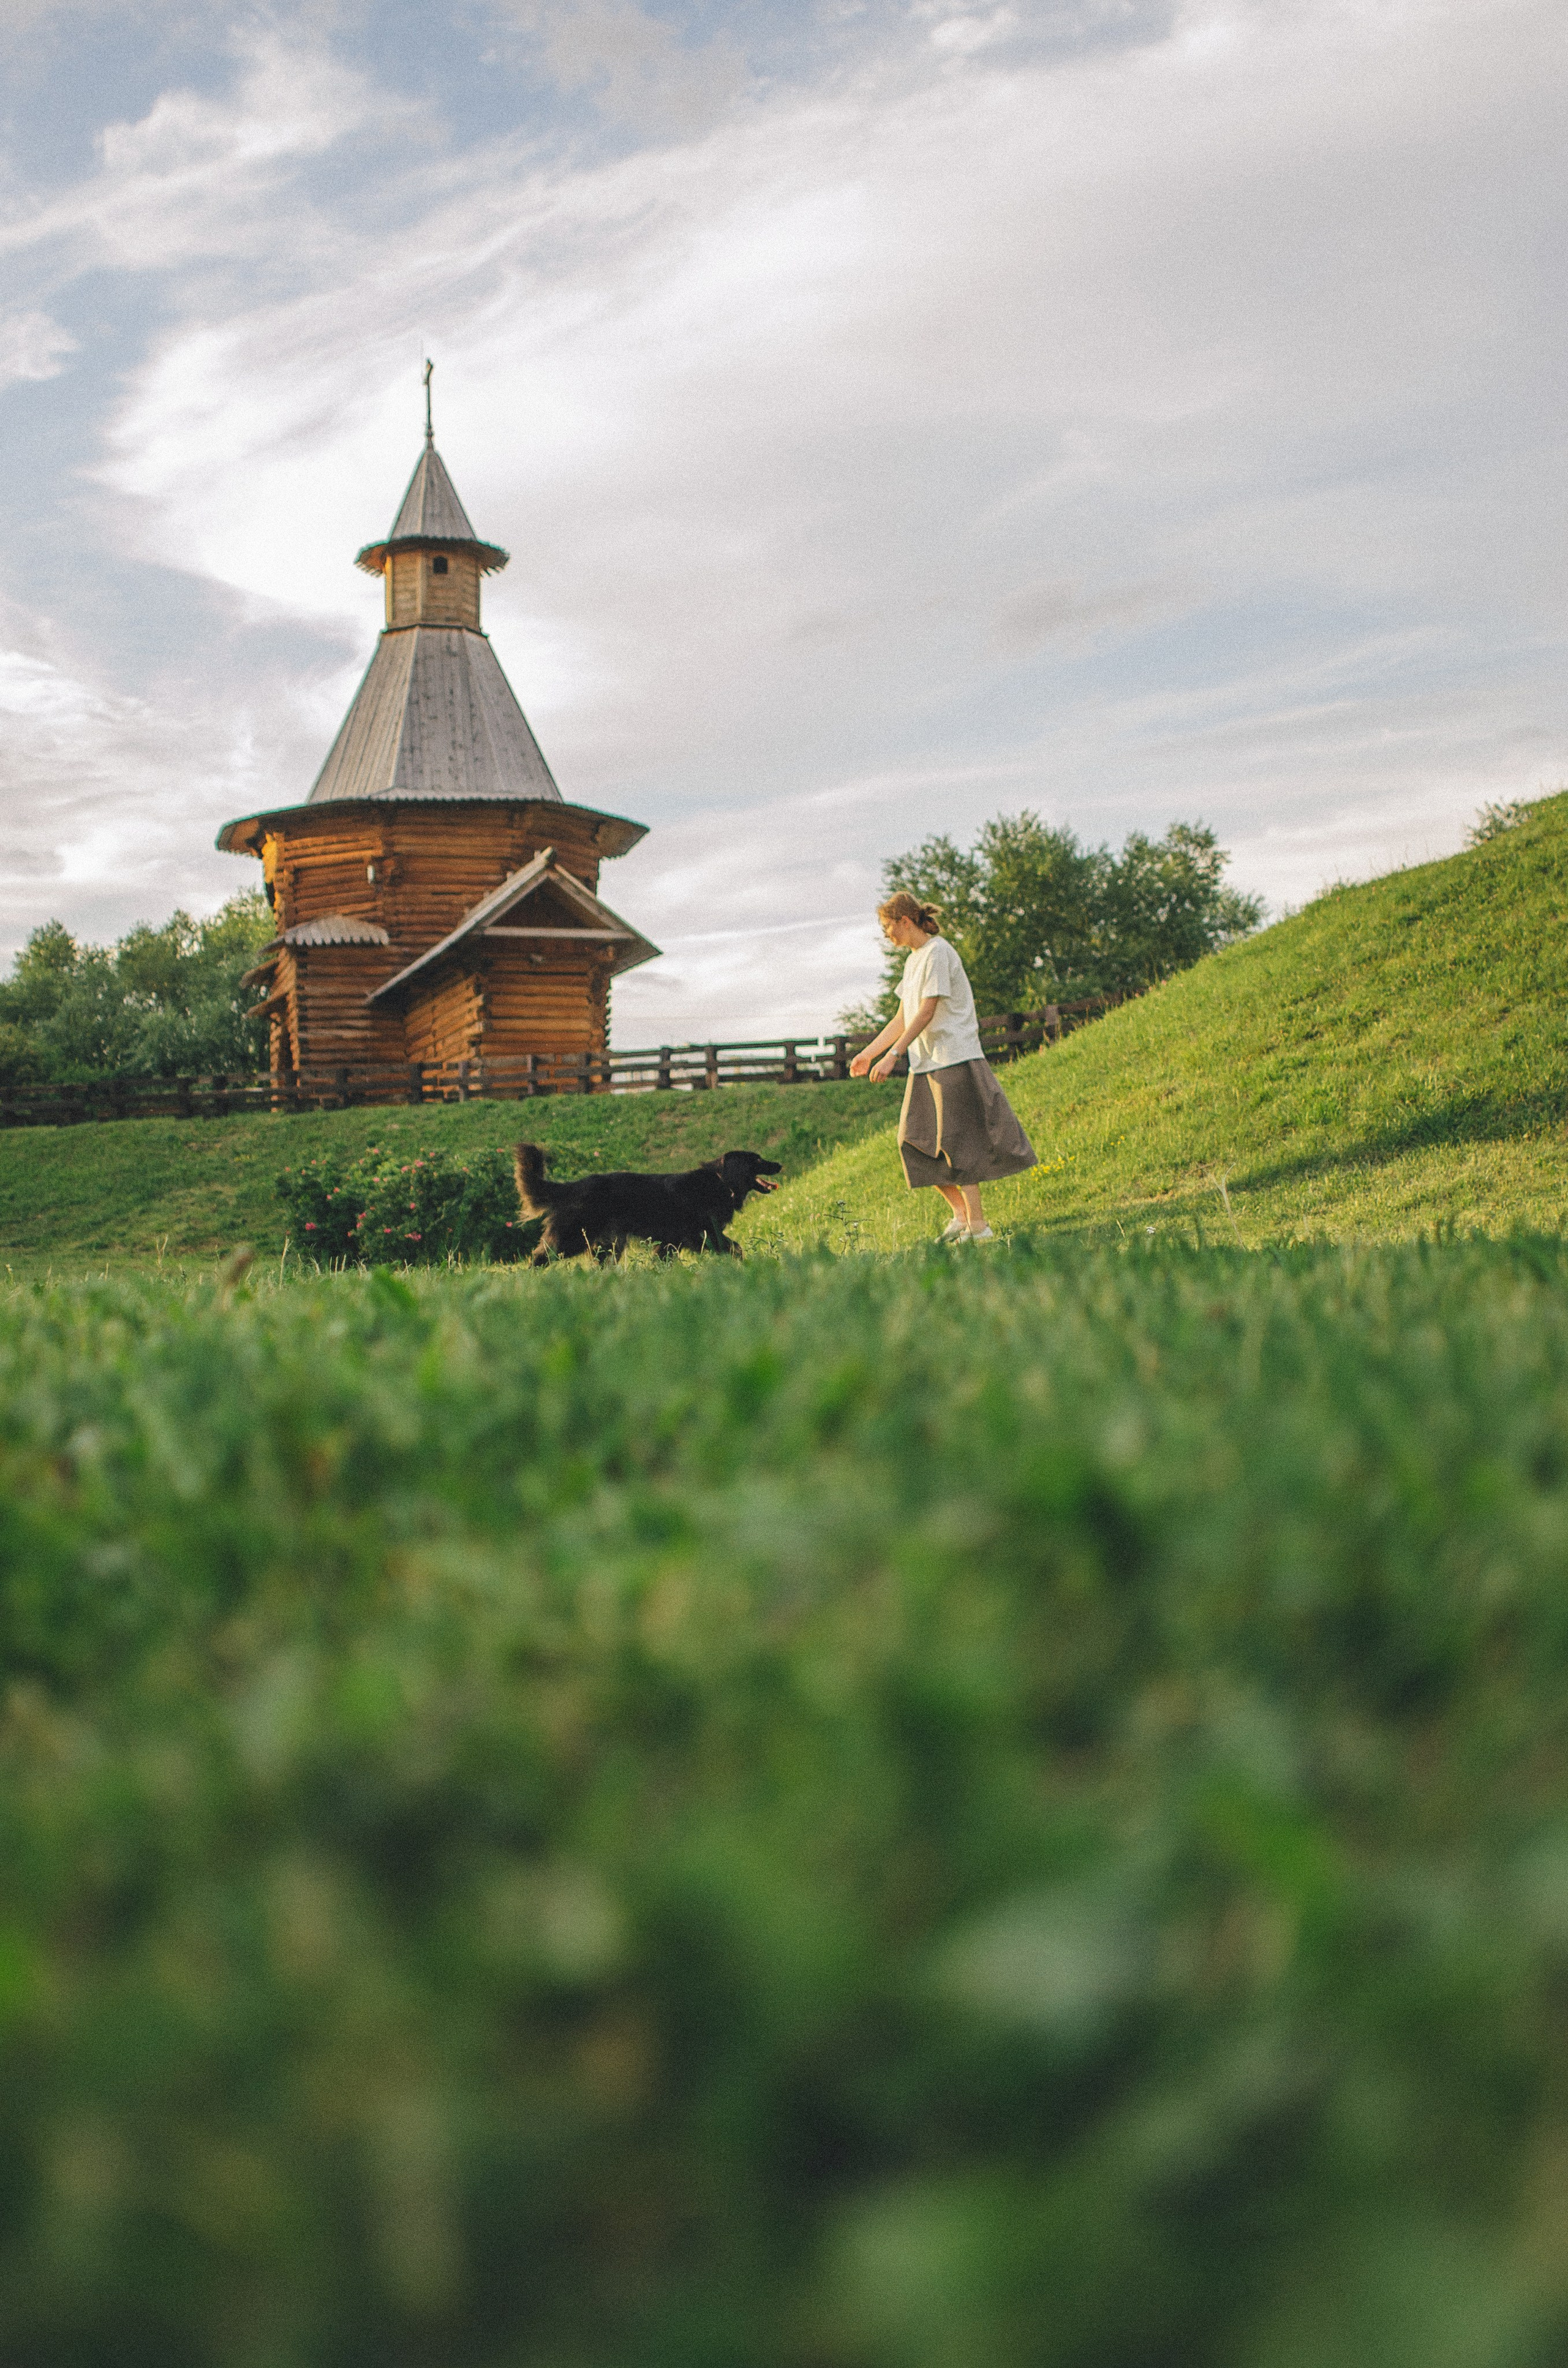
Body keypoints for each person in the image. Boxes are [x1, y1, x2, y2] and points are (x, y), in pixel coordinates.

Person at [848, 891, 1036, 1241]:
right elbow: (903, 1016)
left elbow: (927, 1011)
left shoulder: (938, 952)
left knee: (958, 1144)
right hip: (926, 1064)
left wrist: (894, 1056)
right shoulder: (913, 961)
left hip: (953, 1058)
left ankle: (978, 1227)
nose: (887, 935)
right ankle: (961, 1216)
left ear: (905, 921)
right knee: (912, 1142)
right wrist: (870, 1053)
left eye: (889, 927)